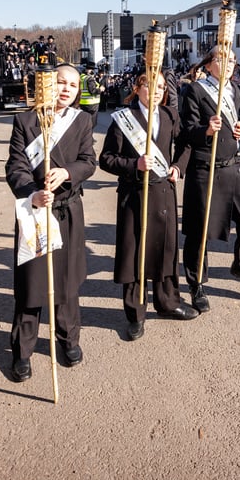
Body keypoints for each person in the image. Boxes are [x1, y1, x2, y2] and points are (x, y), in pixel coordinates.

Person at [5, 64, 96, 379]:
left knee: (67, 282)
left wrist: (68, 172)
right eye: (61, 82)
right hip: (35, 211)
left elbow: (88, 162)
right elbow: (15, 166)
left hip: (67, 211)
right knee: (32, 284)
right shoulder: (25, 120)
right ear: (47, 84)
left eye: (73, 84)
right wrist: (31, 193)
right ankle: (22, 350)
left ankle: (68, 339)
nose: (67, 89)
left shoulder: (82, 120)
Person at [98, 72, 197, 342]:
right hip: (134, 194)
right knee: (135, 253)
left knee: (165, 249)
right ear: (138, 88)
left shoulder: (169, 115)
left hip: (163, 191)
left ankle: (168, 302)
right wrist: (134, 165)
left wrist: (178, 167)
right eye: (149, 85)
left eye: (161, 87)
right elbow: (105, 159)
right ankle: (135, 314)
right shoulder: (123, 119)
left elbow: (186, 144)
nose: (155, 91)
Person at [178, 46, 240, 311]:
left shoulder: (235, 90)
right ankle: (197, 284)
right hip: (206, 168)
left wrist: (239, 128)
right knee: (199, 232)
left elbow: (235, 122)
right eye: (222, 59)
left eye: (233, 60)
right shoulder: (196, 90)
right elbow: (186, 131)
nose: (229, 64)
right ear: (209, 63)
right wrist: (205, 129)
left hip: (233, 165)